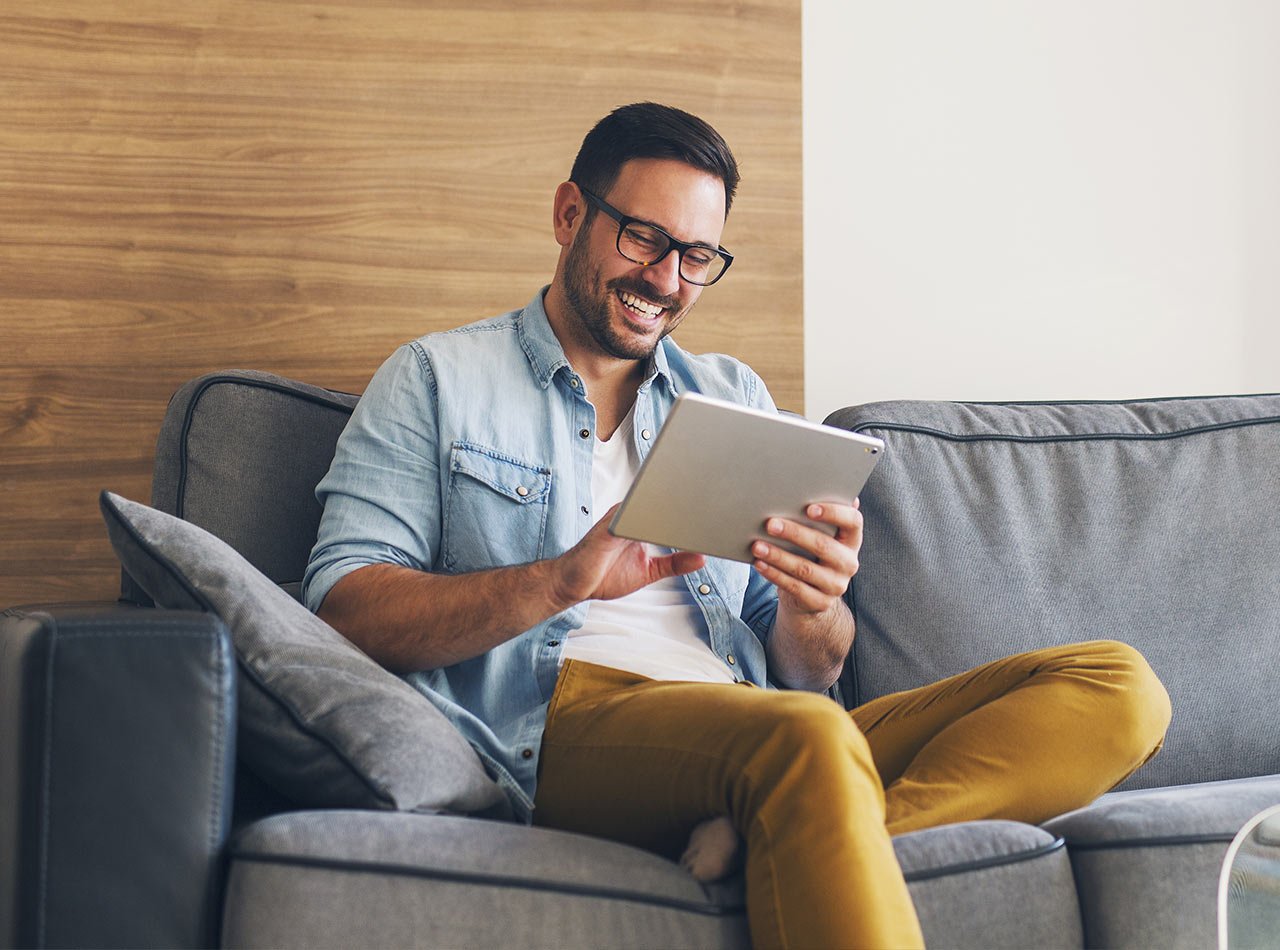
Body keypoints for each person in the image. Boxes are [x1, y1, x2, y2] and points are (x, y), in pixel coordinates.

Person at [303, 102, 1172, 949]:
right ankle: (793, 808)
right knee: (808, 740)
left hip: (757, 721)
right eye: (644, 238)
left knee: (1117, 687)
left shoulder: (730, 398)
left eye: (698, 256)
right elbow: (345, 610)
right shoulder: (436, 379)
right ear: (570, 213)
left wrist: (812, 607)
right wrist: (561, 579)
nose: (667, 280)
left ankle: (782, 826)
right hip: (565, 725)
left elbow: (808, 670)